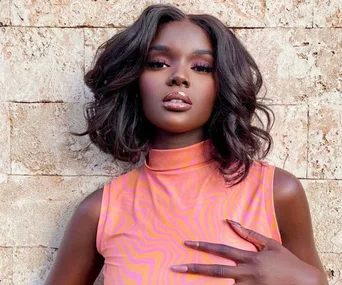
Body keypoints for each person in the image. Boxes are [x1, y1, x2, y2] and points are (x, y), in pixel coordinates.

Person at [45, 4, 328, 285]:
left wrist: (306, 281)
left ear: (222, 85)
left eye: (202, 67)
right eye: (158, 63)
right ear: (133, 80)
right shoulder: (99, 211)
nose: (179, 76)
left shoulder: (276, 192)